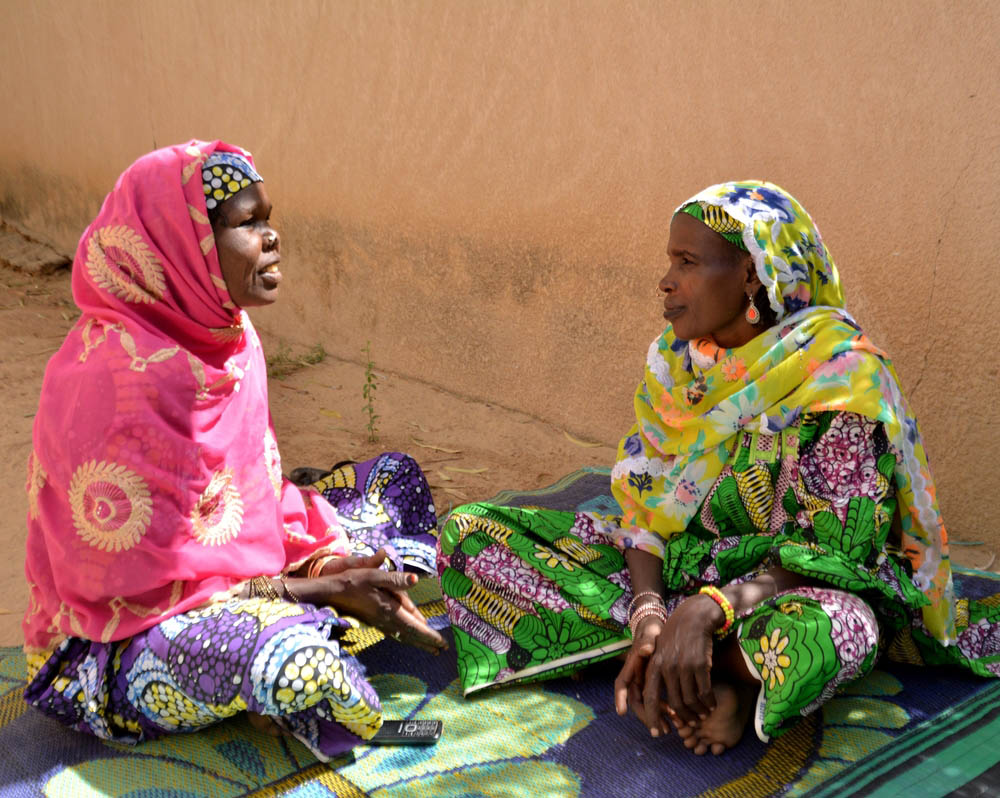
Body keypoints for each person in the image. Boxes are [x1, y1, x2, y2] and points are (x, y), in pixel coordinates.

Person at [436, 180, 1000, 755]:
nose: (666, 281)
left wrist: (717, 608)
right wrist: (651, 612)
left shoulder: (841, 379)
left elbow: (843, 557)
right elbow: (642, 506)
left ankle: (721, 675)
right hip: (679, 574)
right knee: (470, 533)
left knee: (840, 630)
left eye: (687, 262)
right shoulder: (678, 366)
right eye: (669, 261)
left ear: (753, 274)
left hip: (780, 595)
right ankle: (675, 660)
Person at [22, 140, 446, 760]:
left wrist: (329, 565)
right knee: (295, 662)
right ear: (179, 246)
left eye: (267, 217)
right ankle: (292, 681)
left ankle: (284, 666)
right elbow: (134, 593)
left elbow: (253, 499)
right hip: (116, 645)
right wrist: (320, 591)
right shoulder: (108, 381)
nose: (271, 238)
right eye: (248, 223)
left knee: (394, 480)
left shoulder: (230, 340)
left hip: (244, 582)